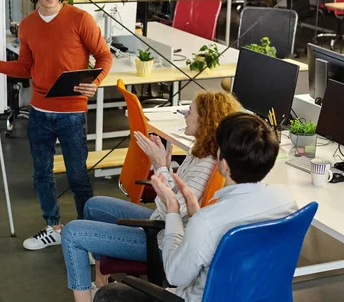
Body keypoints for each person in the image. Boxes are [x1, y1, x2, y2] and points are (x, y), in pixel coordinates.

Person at [0, 0, 113, 251]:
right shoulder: (28, 25)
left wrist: (95, 82)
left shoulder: (80, 19)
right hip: (39, 112)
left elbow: (103, 56)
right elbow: (24, 67)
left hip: (72, 112)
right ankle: (53, 226)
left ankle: (89, 236)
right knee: (42, 175)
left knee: (77, 176)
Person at [95, 112, 298, 302]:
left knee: (108, 294)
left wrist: (173, 211)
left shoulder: (208, 222)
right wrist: (196, 215)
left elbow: (175, 274)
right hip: (256, 294)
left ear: (224, 166)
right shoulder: (286, 201)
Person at [61, 91, 242, 302]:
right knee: (93, 206)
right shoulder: (198, 151)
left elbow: (173, 209)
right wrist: (163, 168)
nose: (184, 114)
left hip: (165, 240)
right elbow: (175, 198)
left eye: (190, 111)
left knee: (72, 233)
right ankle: (101, 282)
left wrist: (161, 168)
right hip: (162, 223)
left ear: (206, 119)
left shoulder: (206, 164)